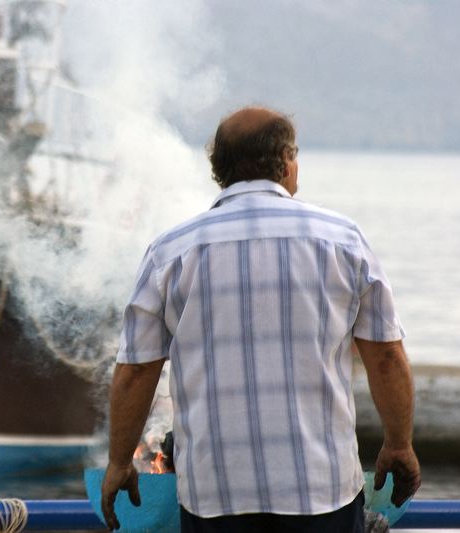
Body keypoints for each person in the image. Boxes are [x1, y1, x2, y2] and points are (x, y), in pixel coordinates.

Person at [101, 106, 420, 532]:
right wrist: (398, 445)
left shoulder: (170, 252)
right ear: (286, 161)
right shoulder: (342, 240)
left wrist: (120, 462)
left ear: (219, 169)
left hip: (215, 494)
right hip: (321, 490)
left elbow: (137, 370)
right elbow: (386, 357)